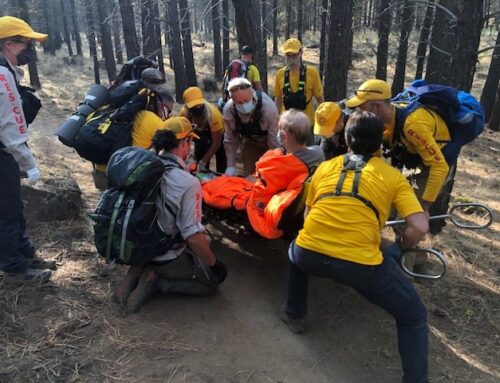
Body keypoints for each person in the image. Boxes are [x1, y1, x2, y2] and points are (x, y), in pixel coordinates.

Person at [279, 111, 429, 383]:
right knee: (414, 315)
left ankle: (294, 314)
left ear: (346, 139)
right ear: (380, 142)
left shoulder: (325, 167)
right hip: (360, 266)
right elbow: (419, 227)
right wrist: (402, 244)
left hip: (309, 253)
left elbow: (307, 217)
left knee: (295, 253)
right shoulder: (393, 177)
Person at [113, 117, 227, 313]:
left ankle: (138, 268)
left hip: (135, 244)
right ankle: (157, 282)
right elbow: (193, 236)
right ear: (185, 143)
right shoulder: (187, 182)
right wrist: (215, 264)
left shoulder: (141, 166)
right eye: (189, 142)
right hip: (165, 254)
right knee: (211, 285)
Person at [344, 79, 452, 235]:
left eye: (362, 106)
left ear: (377, 106)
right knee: (388, 209)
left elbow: (440, 167)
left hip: (433, 165)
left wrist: (424, 207)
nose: (358, 111)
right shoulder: (384, 121)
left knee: (408, 221)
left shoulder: (413, 124)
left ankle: (404, 257)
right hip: (415, 158)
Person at [0, 16, 55, 287]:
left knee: (12, 206)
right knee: (7, 210)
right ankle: (14, 270)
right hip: (2, 153)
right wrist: (28, 162)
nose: (31, 50)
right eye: (28, 43)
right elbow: (11, 126)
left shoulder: (5, 70)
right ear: (10, 44)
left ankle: (24, 253)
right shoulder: (2, 75)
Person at [93, 78, 174, 189]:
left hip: (102, 169)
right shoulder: (154, 121)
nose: (168, 115)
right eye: (168, 111)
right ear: (160, 105)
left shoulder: (128, 111)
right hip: (123, 176)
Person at [223, 77, 279, 177]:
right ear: (232, 100)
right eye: (239, 103)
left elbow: (274, 139)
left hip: (268, 142)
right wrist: (230, 166)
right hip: (249, 143)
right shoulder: (229, 110)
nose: (243, 105)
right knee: (249, 175)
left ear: (252, 93)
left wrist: (274, 161)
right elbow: (230, 140)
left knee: (269, 175)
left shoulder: (268, 108)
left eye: (246, 100)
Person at [274, 38, 324, 139]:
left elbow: (320, 99)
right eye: (288, 55)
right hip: (287, 126)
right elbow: (278, 100)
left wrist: (322, 121)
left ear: (301, 53)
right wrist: (276, 121)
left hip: (306, 126)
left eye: (294, 55)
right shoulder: (280, 74)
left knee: (308, 153)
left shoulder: (312, 73)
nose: (291, 59)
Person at [180, 86, 226, 173]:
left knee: (222, 161)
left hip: (218, 137)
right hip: (199, 139)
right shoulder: (183, 115)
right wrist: (188, 158)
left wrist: (203, 162)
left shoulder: (214, 115)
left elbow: (216, 143)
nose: (197, 108)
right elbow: (184, 138)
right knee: (198, 163)